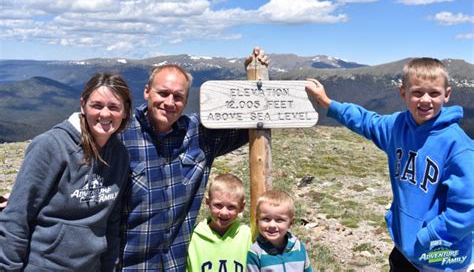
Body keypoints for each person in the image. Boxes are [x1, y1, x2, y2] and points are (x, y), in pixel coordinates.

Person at [305, 57, 474, 271]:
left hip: (442, 260)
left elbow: (468, 208)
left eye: (434, 93)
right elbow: (367, 121)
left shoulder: (457, 145)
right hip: (405, 248)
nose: (425, 100)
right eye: (417, 92)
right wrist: (328, 104)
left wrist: (430, 236)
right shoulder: (396, 127)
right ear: (402, 93)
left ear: (446, 95)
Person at [118, 47, 269, 271]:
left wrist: (254, 78)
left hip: (177, 264)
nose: (169, 102)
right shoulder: (121, 135)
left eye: (178, 96)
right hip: (130, 264)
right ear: (147, 91)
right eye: (163, 93)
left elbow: (252, 121)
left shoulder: (199, 134)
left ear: (187, 100)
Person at [0, 73, 132, 271]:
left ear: (125, 112)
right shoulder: (51, 146)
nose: (105, 114)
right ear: (82, 105)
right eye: (97, 105)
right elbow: (17, 216)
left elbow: (111, 223)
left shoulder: (120, 155)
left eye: (114, 107)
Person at [186, 173, 252, 271]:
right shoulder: (193, 237)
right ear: (208, 202)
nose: (224, 212)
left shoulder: (247, 236)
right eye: (218, 205)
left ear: (241, 207)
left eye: (231, 207)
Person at [246, 190, 313, 272]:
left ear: (290, 223)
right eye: (266, 219)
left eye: (279, 220)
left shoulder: (299, 248)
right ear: (257, 221)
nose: (272, 225)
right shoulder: (255, 253)